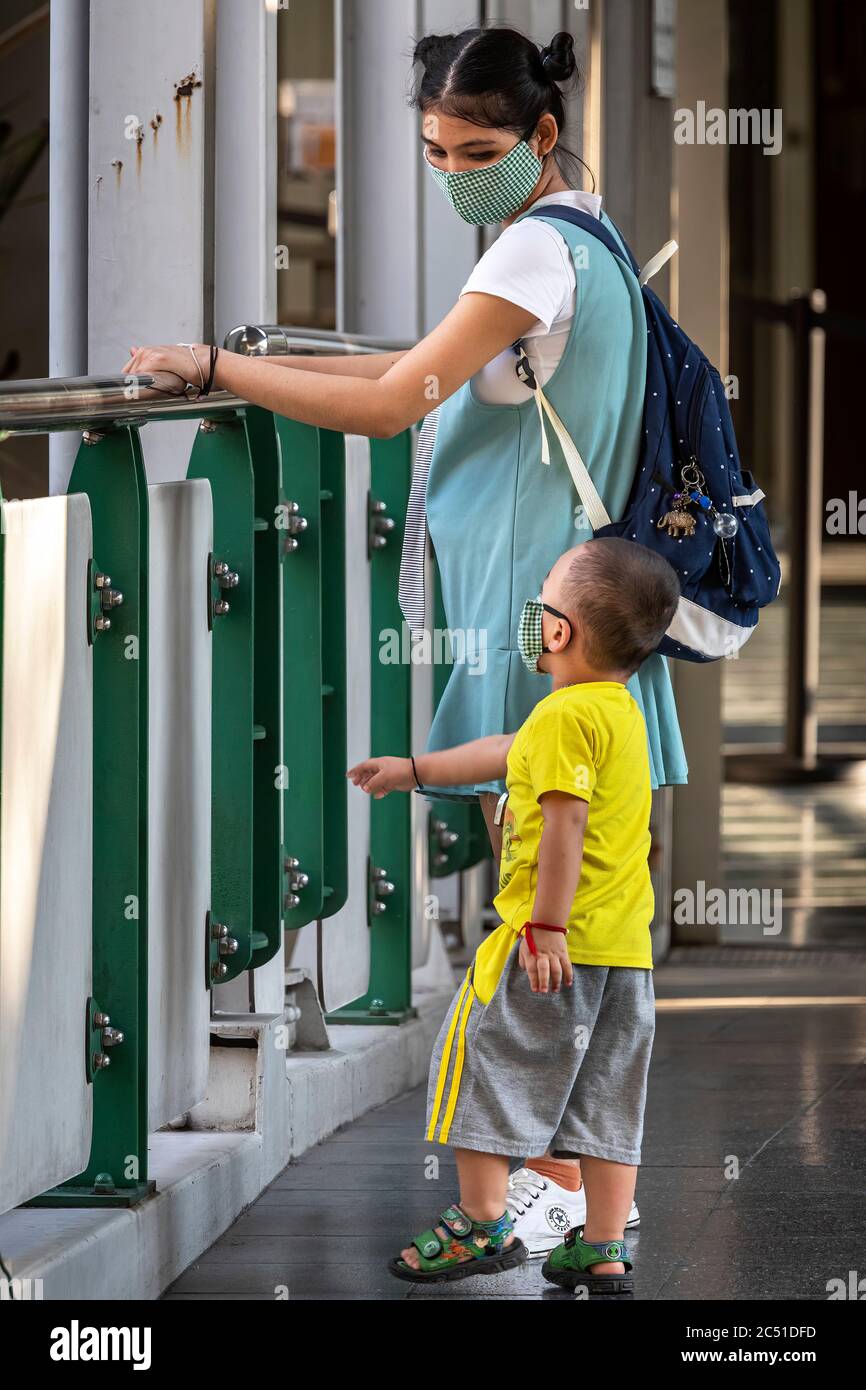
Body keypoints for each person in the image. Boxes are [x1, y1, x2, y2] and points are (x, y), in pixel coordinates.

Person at [123, 24, 688, 1225]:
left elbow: (391, 404)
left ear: (541, 136)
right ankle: (578, 1189)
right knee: (577, 909)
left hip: (534, 609)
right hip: (561, 605)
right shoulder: (579, 237)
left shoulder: (534, 249)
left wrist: (218, 365)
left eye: (472, 148)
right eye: (430, 151)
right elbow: (423, 368)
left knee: (545, 916)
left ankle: (545, 1188)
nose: (447, 173)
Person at [347, 536, 681, 1293]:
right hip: (624, 955)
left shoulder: (565, 720)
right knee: (608, 1095)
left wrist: (546, 928)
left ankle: (480, 1220)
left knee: (479, 1067)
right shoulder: (617, 712)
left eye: (541, 602)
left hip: (550, 946)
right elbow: (508, 752)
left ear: (557, 632)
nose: (532, 616)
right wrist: (417, 771)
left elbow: (562, 823)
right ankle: (601, 1244)